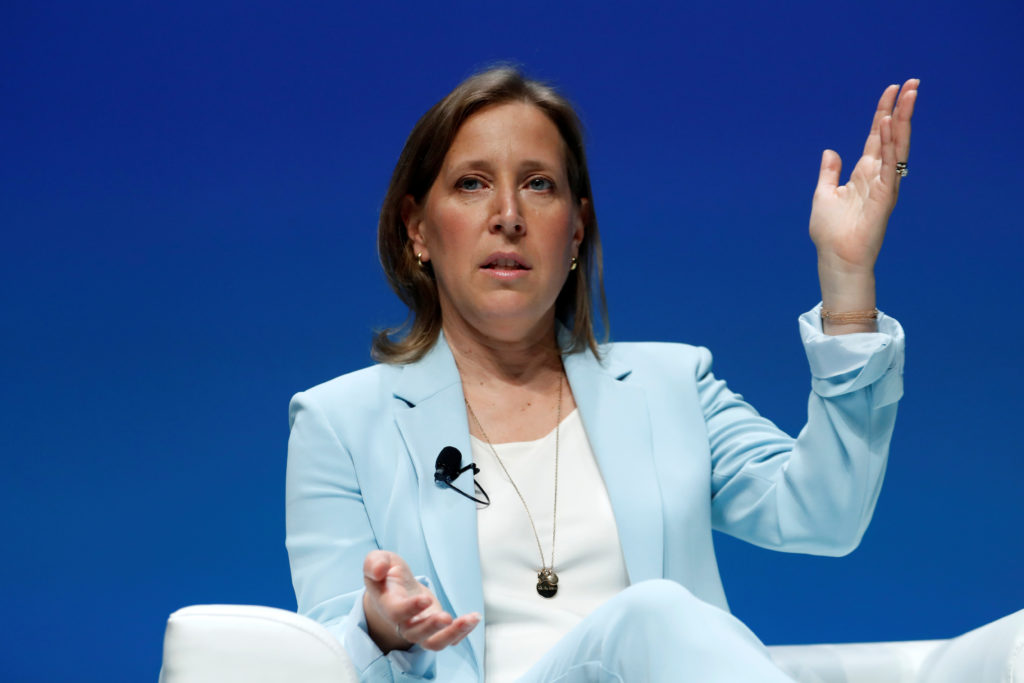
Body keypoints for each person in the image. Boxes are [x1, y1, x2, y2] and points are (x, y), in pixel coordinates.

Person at [285, 67, 918, 682]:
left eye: (538, 184)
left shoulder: (671, 386)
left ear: (577, 229)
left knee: (655, 614)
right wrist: (381, 623)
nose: (508, 213)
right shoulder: (338, 423)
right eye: (473, 184)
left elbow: (826, 516)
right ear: (417, 228)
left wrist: (846, 280)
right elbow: (323, 658)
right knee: (656, 609)